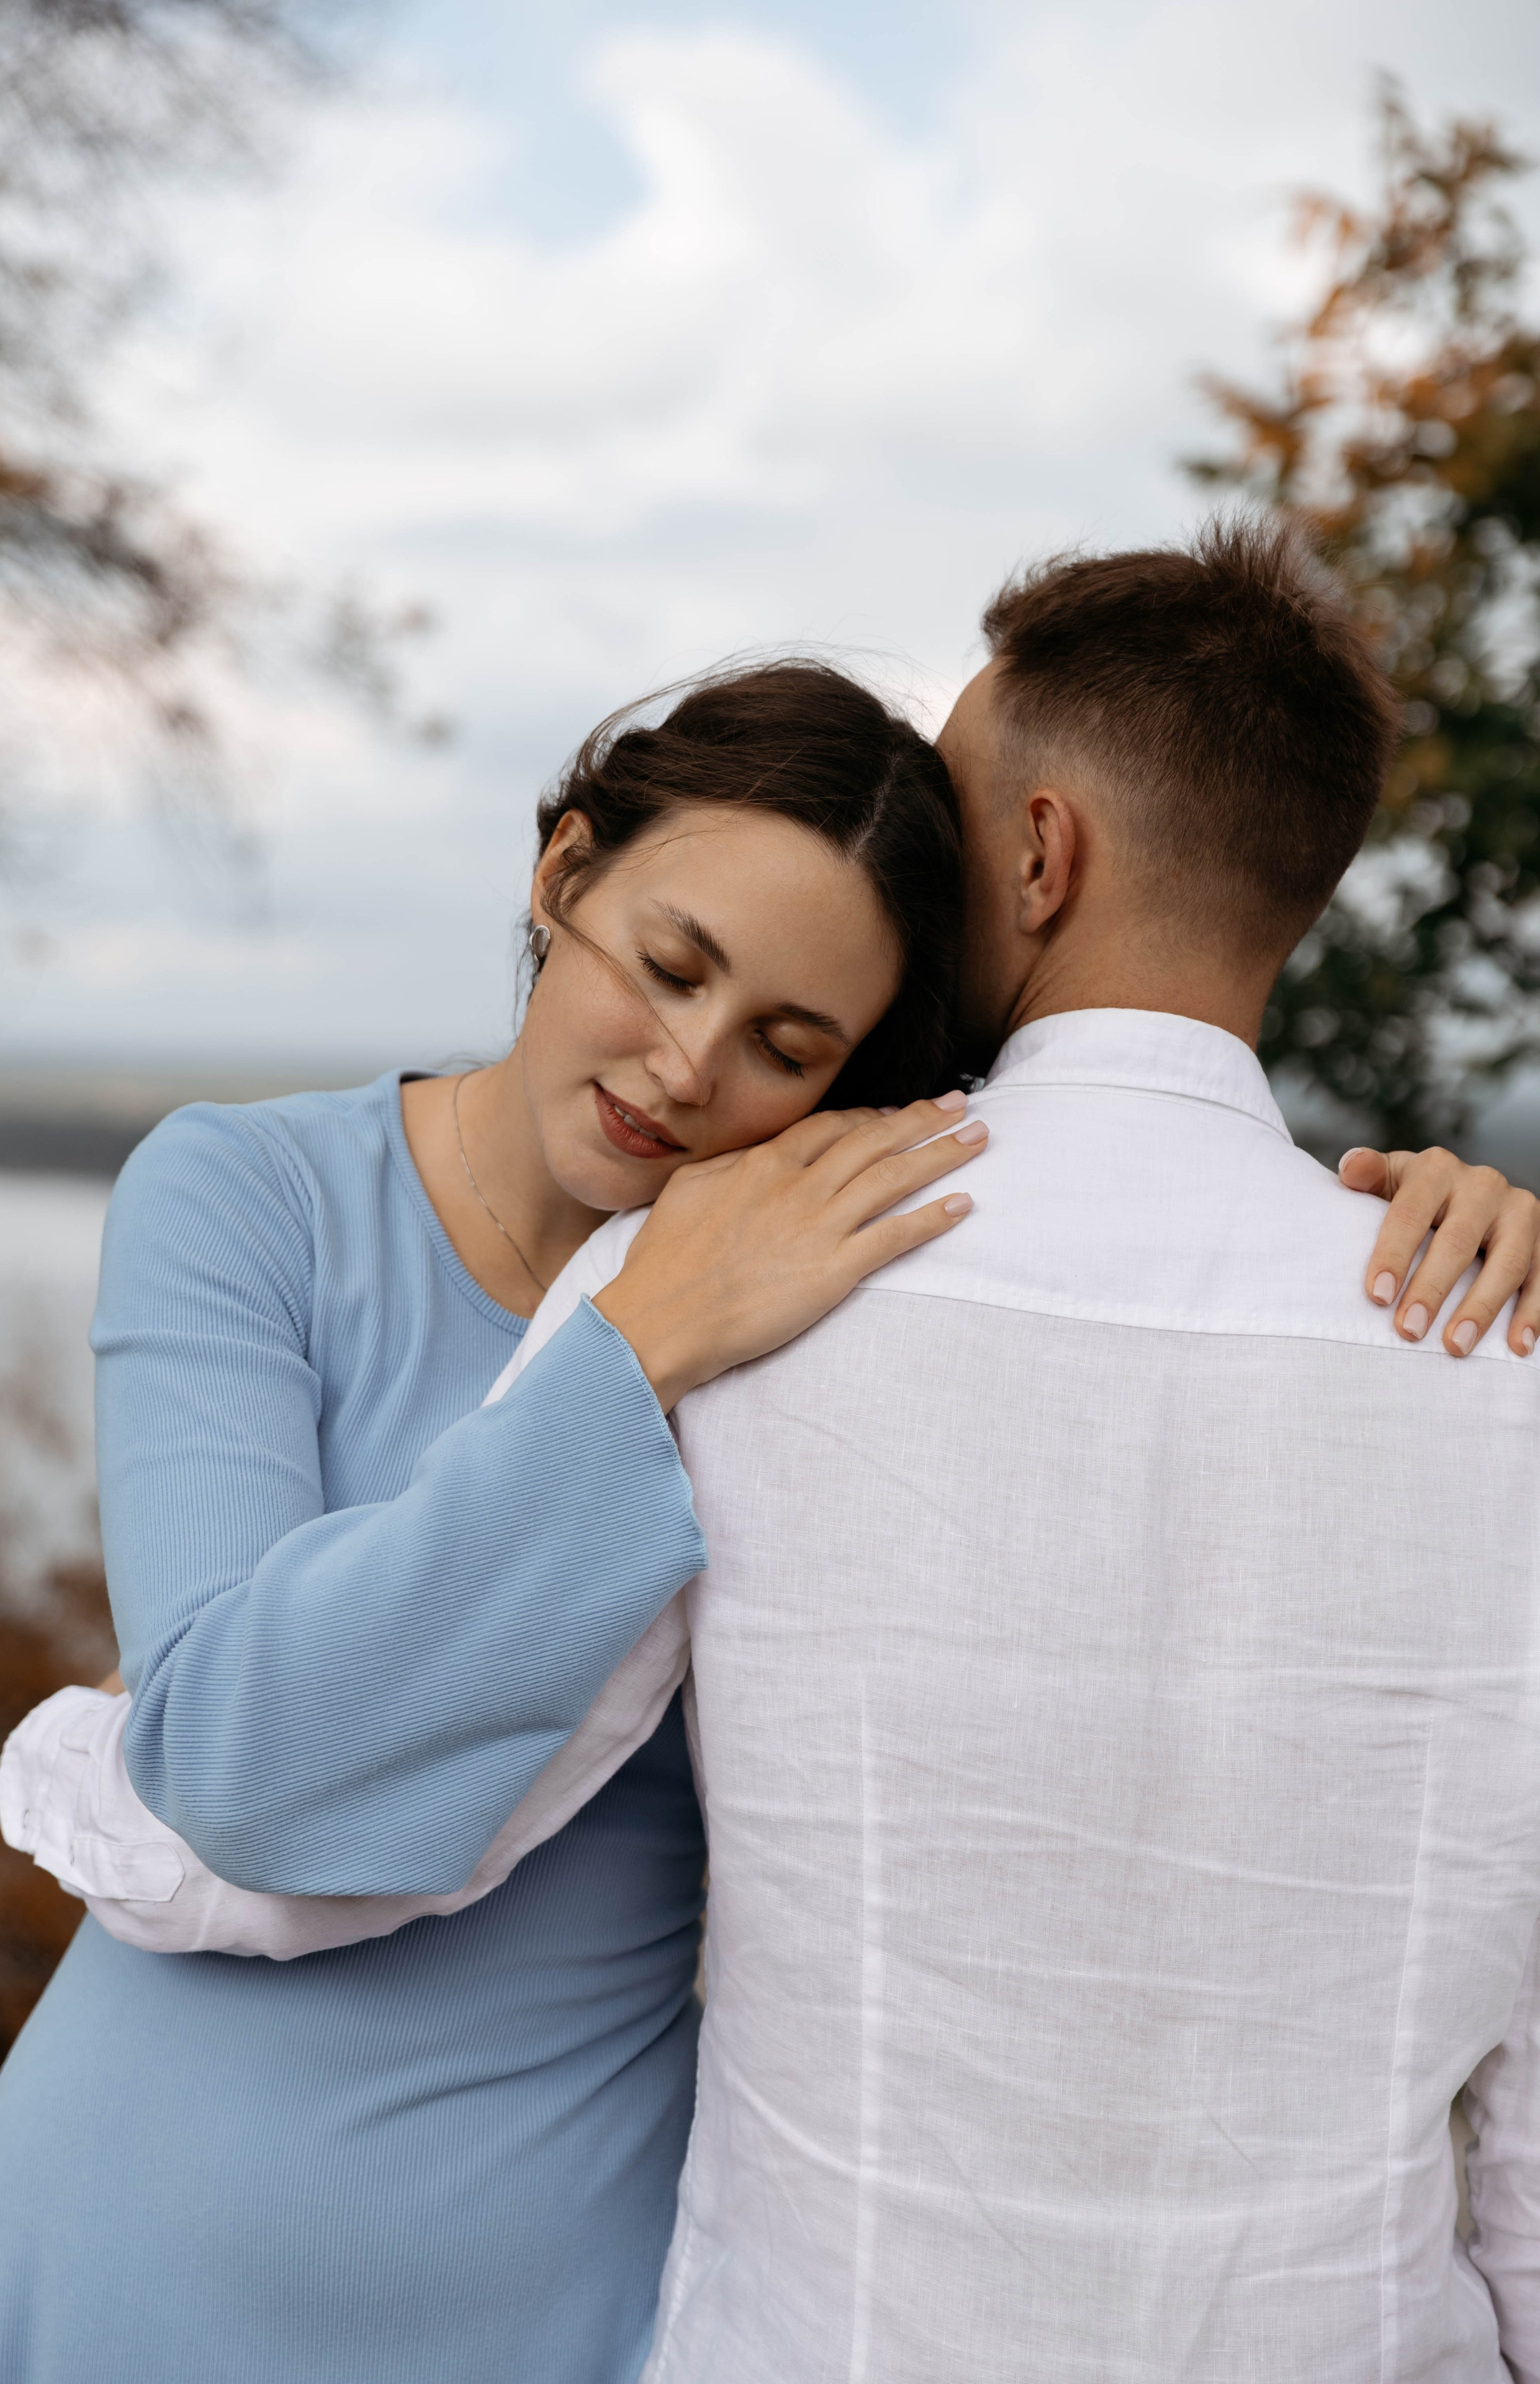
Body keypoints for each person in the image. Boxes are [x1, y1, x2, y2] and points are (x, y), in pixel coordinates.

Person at [0, 607, 1536, 2382]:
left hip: (552, 2285)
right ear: (565, 871)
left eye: (789, 1043)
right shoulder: (252, 1198)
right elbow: (245, 1770)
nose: (689, 1065)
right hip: (131, 2228)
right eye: (670, 960)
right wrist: (637, 1349)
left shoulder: (823, 1290)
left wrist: (1460, 1257)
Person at [501, 519, 1540, 2381]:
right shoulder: (1503, 1356)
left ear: (1043, 858)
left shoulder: (729, 1276)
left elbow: (413, 1802)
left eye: (957, 817)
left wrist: (93, 1756)